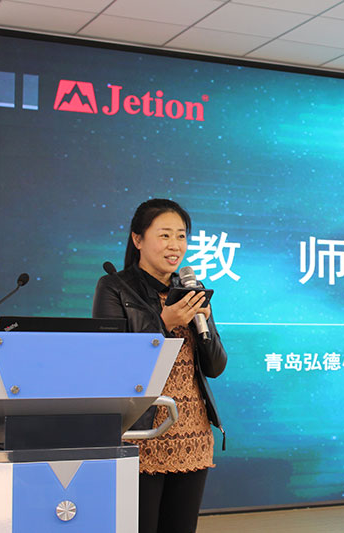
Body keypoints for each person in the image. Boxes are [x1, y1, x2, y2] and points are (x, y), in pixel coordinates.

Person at [92, 198, 227, 533]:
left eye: (181, 236)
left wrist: (205, 327)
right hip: (139, 434)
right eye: (164, 235)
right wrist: (164, 323)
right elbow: (111, 362)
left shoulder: (190, 291)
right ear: (138, 239)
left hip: (192, 434)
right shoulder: (114, 287)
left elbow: (215, 367)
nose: (175, 245)